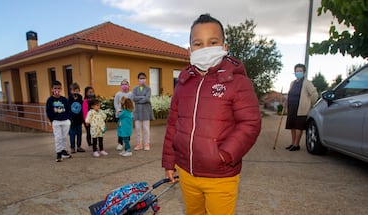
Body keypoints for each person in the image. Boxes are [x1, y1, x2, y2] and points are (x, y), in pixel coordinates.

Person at [162, 14, 261, 215]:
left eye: (212, 42)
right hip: (186, 173)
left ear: (224, 47)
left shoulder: (238, 82)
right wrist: (169, 162)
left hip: (221, 176)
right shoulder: (182, 83)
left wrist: (224, 155)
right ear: (189, 50)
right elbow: (173, 124)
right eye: (198, 43)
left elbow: (250, 123)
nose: (205, 48)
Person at [285, 63, 318, 151]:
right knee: (292, 126)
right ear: (294, 72)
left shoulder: (307, 83)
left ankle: (296, 144)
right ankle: (293, 143)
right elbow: (290, 93)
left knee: (298, 127)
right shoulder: (292, 83)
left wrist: (310, 104)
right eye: (297, 71)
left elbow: (314, 94)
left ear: (304, 73)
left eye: (300, 71)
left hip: (301, 109)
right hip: (292, 108)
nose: (298, 72)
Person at [46, 80, 72, 162]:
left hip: (65, 120)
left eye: (59, 88)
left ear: (61, 89)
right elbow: (48, 111)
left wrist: (69, 118)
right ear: (52, 89)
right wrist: (52, 119)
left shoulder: (64, 99)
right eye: (55, 88)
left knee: (64, 137)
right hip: (56, 121)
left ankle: (64, 151)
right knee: (58, 137)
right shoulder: (50, 100)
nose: (57, 90)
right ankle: (59, 153)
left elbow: (68, 109)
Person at [132, 72, 155, 151]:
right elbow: (133, 98)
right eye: (141, 78)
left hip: (146, 111)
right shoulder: (135, 89)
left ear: (146, 79)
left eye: (144, 78)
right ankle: (139, 144)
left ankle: (146, 143)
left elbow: (147, 98)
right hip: (137, 111)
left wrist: (139, 100)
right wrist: (142, 97)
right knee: (138, 129)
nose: (142, 80)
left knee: (146, 129)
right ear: (138, 79)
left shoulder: (148, 89)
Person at [114, 79, 133, 151]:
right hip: (119, 116)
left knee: (127, 129)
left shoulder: (131, 94)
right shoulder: (118, 94)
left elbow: (132, 103)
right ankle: (120, 143)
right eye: (123, 84)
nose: (124, 86)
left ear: (128, 86)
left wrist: (130, 112)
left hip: (127, 116)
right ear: (120, 86)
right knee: (120, 129)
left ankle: (127, 143)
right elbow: (115, 103)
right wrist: (118, 111)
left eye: (126, 84)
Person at [68, 83, 85, 153]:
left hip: (79, 119)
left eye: (77, 91)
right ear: (71, 91)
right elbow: (68, 109)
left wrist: (83, 118)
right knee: (72, 134)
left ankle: (79, 146)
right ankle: (72, 147)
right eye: (74, 91)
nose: (76, 92)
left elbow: (82, 107)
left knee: (79, 134)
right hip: (72, 120)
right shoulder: (69, 98)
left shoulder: (80, 97)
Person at [82, 86, 96, 150]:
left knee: (94, 131)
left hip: (94, 119)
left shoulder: (95, 100)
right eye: (90, 92)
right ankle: (89, 143)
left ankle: (94, 142)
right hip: (88, 119)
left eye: (92, 92)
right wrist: (86, 120)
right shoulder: (85, 101)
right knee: (88, 131)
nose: (91, 93)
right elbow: (84, 111)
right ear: (86, 93)